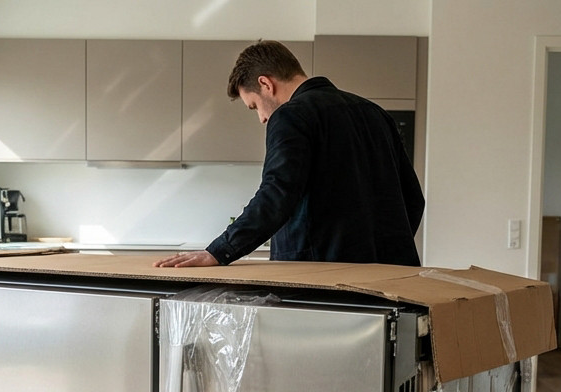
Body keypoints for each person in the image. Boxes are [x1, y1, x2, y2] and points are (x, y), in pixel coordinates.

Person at [154, 40, 424, 268]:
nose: (261, 118)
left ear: (265, 83)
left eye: (254, 106)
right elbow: (413, 199)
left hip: (322, 281)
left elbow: (277, 193)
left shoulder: (290, 116)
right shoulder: (374, 113)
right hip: (392, 275)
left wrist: (219, 251)